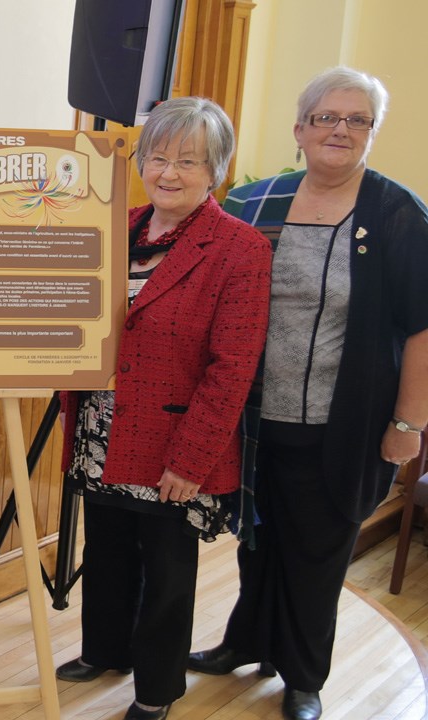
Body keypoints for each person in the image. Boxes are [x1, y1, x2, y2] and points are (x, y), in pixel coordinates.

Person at [188, 66, 428, 720]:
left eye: (357, 120)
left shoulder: (399, 215)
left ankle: (302, 676)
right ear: (300, 130)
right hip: (256, 418)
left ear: (372, 134)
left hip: (343, 424)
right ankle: (245, 642)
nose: (340, 130)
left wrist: (409, 423)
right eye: (327, 117)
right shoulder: (254, 203)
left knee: (318, 553)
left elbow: (422, 330)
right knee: (256, 539)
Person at [53, 96, 273, 720]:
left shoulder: (241, 249)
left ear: (216, 170)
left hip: (176, 442)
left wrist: (193, 461)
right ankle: (105, 649)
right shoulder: (114, 226)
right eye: (157, 156)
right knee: (106, 549)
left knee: (169, 575)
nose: (167, 171)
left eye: (187, 160)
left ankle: (156, 688)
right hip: (101, 424)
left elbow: (232, 369)